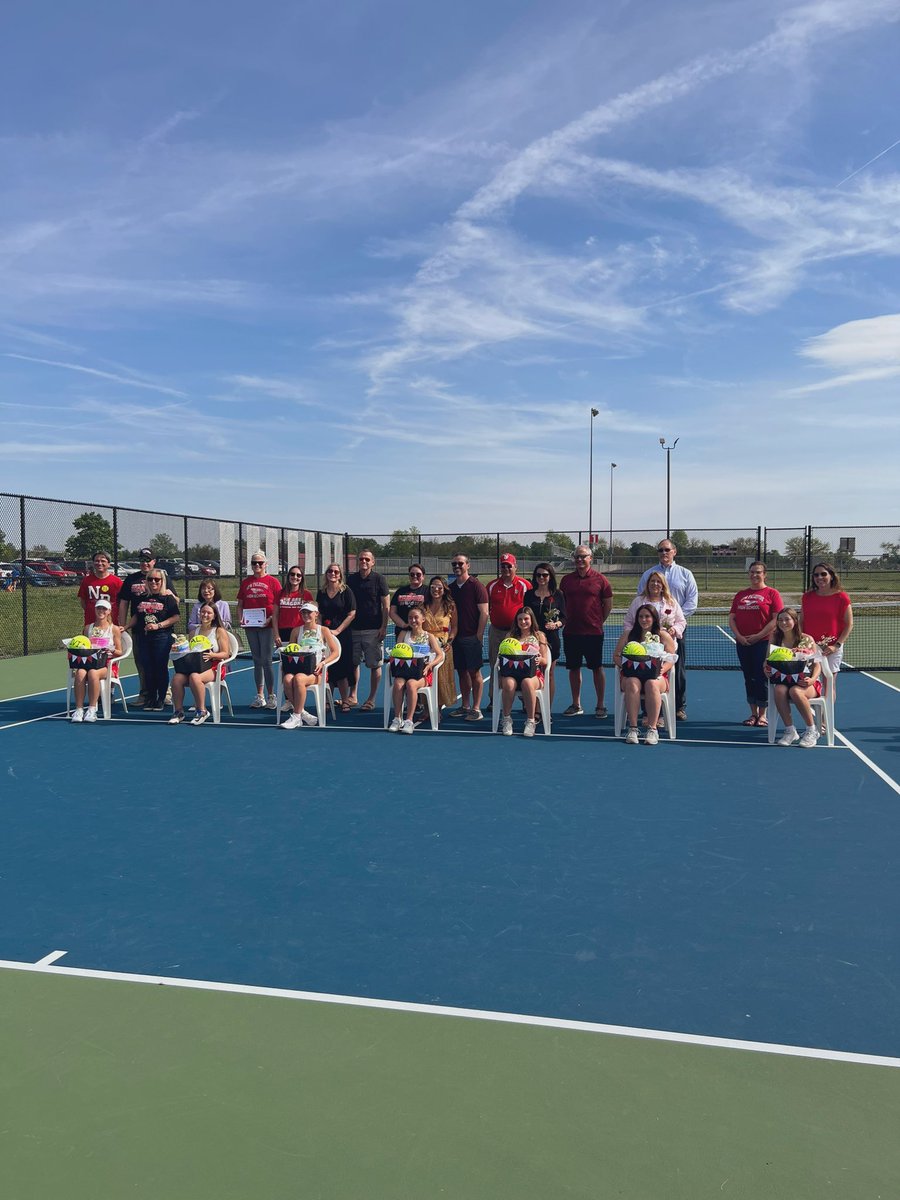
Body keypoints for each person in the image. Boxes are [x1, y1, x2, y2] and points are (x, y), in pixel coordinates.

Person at [637, 540, 698, 721]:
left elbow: (692, 602)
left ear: (674, 551)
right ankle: (648, 709)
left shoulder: (686, 574)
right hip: (648, 633)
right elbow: (641, 598)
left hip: (674, 632)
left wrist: (672, 625)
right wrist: (652, 625)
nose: (664, 552)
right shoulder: (648, 574)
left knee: (676, 669)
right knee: (647, 668)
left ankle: (678, 706)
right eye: (660, 550)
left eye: (667, 550)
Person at [558, 545, 613, 718]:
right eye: (577, 557)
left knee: (597, 668)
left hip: (593, 633)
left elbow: (608, 605)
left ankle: (600, 705)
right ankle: (576, 704)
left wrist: (597, 622)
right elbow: (562, 605)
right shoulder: (566, 580)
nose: (579, 560)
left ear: (591, 558)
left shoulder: (601, 580)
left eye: (583, 556)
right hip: (571, 632)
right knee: (573, 669)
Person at [612, 604, 677, 746]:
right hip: (631, 676)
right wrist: (626, 664)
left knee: (651, 683)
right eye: (641, 616)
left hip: (657, 677)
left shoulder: (663, 635)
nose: (644, 619)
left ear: (654, 619)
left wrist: (662, 669)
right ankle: (633, 729)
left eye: (647, 616)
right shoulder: (628, 635)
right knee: (632, 682)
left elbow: (672, 658)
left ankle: (652, 729)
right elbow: (616, 655)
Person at [728, 562, 783, 727]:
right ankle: (752, 714)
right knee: (748, 678)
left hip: (764, 643)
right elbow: (732, 618)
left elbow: (776, 619)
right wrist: (739, 636)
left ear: (764, 574)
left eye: (758, 572)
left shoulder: (772, 594)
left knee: (761, 677)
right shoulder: (741, 594)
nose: (754, 575)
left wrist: (759, 636)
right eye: (751, 572)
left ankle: (763, 714)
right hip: (743, 643)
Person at [766, 607, 822, 748]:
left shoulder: (807, 639)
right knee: (779, 690)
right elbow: (767, 660)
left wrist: (813, 679)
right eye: (780, 620)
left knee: (795, 691)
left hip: (807, 683)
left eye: (787, 619)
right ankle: (790, 731)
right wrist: (765, 669)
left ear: (795, 621)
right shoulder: (775, 638)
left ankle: (811, 730)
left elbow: (817, 665)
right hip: (784, 680)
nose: (783, 623)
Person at [124, 568, 180, 710]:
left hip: (162, 638)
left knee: (160, 668)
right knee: (147, 668)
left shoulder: (168, 598)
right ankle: (150, 698)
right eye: (150, 579)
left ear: (162, 581)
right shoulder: (142, 597)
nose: (154, 582)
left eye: (157, 579)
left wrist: (158, 625)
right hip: (144, 637)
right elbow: (137, 616)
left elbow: (176, 617)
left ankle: (161, 699)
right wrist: (125, 627)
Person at [280, 601, 340, 729]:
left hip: (317, 673)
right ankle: (302, 714)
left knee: (299, 679)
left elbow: (335, 652)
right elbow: (291, 650)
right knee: (287, 679)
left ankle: (296, 716)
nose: (306, 615)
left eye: (309, 612)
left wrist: (323, 663)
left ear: (316, 614)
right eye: (303, 612)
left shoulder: (324, 630)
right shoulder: (296, 631)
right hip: (298, 669)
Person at [169, 603, 230, 726]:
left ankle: (202, 711)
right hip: (195, 667)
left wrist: (213, 655)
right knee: (176, 679)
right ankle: (179, 712)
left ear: (214, 616)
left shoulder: (219, 631)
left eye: (209, 613)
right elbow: (189, 651)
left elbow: (226, 654)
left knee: (195, 677)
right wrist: (178, 648)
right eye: (203, 612)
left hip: (214, 667)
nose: (205, 615)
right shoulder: (193, 632)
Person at [388, 604, 444, 734]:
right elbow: (397, 651)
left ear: (423, 619)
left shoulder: (429, 637)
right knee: (398, 683)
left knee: (411, 684)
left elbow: (440, 655)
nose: (413, 620)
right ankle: (397, 718)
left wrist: (430, 665)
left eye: (416, 617)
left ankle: (409, 720)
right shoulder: (403, 634)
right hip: (405, 671)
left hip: (423, 674)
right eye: (410, 618)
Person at [236, 552, 282, 710]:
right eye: (254, 563)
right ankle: (260, 695)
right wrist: (241, 619)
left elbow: (278, 606)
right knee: (256, 660)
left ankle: (271, 696)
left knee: (267, 660)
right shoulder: (246, 582)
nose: (257, 566)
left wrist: (270, 620)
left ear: (266, 564)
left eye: (260, 563)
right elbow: (240, 604)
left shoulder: (273, 582)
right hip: (251, 626)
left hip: (267, 626)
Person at [801, 563, 853, 697]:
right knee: (808, 682)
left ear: (831, 576)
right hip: (809, 647)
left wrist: (836, 646)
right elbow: (801, 622)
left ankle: (826, 718)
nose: (820, 577)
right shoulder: (807, 597)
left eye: (824, 574)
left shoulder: (841, 597)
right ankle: (814, 715)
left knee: (829, 683)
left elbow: (849, 624)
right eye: (816, 575)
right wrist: (802, 644)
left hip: (831, 648)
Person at [347, 549, 389, 712]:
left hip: (374, 630)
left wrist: (383, 626)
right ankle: (353, 695)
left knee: (374, 665)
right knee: (353, 664)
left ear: (373, 562)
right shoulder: (351, 580)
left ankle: (371, 699)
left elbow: (385, 605)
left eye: (367, 559)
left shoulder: (379, 579)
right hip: (354, 629)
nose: (363, 562)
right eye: (361, 559)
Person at [498, 607, 550, 738]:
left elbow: (545, 660)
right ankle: (506, 719)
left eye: (526, 619)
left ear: (531, 620)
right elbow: (502, 654)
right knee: (509, 684)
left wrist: (539, 659)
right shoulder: (510, 636)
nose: (523, 622)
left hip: (534, 675)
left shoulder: (539, 636)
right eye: (520, 619)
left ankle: (531, 721)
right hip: (511, 672)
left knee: (527, 682)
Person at [448, 552, 489, 721]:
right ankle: (465, 706)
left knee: (474, 673)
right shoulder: (450, 588)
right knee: (462, 673)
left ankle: (476, 708)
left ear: (468, 565)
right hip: (456, 638)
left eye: (460, 564)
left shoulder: (476, 586)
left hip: (471, 638)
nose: (457, 567)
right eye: (454, 564)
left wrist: (478, 635)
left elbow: (484, 613)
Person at [69, 596, 122, 723]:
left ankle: (92, 709)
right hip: (89, 662)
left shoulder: (113, 629)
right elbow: (83, 645)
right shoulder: (88, 628)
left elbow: (120, 652)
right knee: (80, 673)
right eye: (99, 608)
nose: (101, 611)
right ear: (95, 610)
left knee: (93, 673)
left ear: (109, 611)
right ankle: (79, 709)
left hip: (107, 665)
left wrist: (111, 650)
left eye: (104, 609)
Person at [523, 564, 566, 704]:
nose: (541, 578)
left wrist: (556, 624)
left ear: (550, 576)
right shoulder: (529, 594)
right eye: (538, 575)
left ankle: (546, 708)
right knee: (532, 674)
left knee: (549, 674)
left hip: (552, 639)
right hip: (532, 639)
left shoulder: (558, 594)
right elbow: (525, 615)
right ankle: (532, 707)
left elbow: (564, 617)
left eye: (545, 575)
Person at [316, 563, 357, 712]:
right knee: (328, 667)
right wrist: (321, 630)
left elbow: (352, 613)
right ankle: (328, 700)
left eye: (336, 572)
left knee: (343, 668)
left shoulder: (346, 592)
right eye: (330, 571)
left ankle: (345, 700)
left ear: (340, 575)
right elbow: (318, 613)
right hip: (325, 635)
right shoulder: (321, 592)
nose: (333, 574)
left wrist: (338, 630)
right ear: (326, 574)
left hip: (343, 635)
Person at [486, 554, 532, 683]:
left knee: (521, 666)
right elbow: (485, 609)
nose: (506, 568)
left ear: (515, 567)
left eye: (509, 566)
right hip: (496, 631)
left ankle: (523, 699)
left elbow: (529, 611)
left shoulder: (525, 585)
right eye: (503, 566)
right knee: (494, 665)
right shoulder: (491, 586)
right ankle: (493, 699)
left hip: (518, 633)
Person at [423, 576, 458, 710]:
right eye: (432, 587)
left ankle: (437, 708)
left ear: (444, 589)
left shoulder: (450, 606)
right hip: (425, 646)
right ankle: (426, 708)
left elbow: (454, 627)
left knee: (441, 679)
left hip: (443, 647)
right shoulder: (423, 606)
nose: (435, 590)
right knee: (426, 675)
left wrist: (449, 641)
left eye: (439, 587)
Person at [78, 550, 124, 626]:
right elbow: (83, 602)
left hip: (110, 623)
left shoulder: (117, 582)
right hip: (91, 622)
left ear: (108, 564)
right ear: (93, 563)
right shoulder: (87, 580)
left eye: (103, 561)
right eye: (97, 561)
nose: (99, 563)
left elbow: (121, 603)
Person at [273, 566, 313, 647]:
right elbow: (275, 616)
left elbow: (311, 615)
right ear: (288, 576)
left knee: (301, 658)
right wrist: (276, 634)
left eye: (298, 575)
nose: (295, 577)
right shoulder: (280, 593)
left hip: (301, 630)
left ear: (302, 578)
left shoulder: (307, 594)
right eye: (292, 574)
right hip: (283, 631)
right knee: (285, 658)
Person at [389, 565, 429, 634]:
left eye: (418, 574)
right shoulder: (400, 591)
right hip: (402, 632)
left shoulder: (428, 591)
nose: (415, 576)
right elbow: (392, 612)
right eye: (412, 574)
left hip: (421, 632)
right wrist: (404, 625)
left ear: (423, 576)